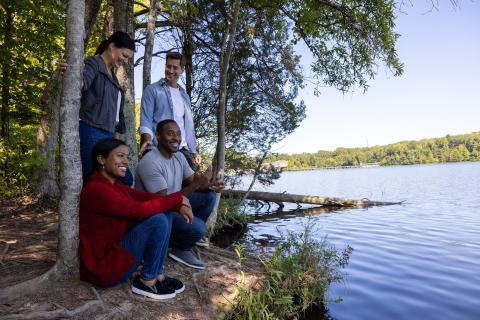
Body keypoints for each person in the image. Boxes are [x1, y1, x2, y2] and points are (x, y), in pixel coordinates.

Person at [80, 138, 193, 300]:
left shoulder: (112, 184)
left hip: (115, 253)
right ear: (101, 159)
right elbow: (138, 210)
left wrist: (176, 203)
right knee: (159, 219)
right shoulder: (97, 189)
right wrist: (177, 199)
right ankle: (146, 281)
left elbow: (142, 197)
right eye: (120, 156)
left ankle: (157, 274)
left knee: (165, 212)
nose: (125, 161)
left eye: (126, 157)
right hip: (104, 268)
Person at [136, 120, 223, 269]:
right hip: (155, 214)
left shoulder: (179, 157)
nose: (176, 138)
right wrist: (196, 184)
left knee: (209, 198)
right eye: (170, 133)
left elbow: (194, 182)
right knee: (199, 227)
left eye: (178, 134)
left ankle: (182, 247)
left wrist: (211, 186)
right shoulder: (150, 161)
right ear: (158, 136)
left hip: (173, 205)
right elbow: (163, 202)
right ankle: (161, 243)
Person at [58, 31, 135, 185]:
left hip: (109, 136)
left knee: (126, 178)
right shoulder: (93, 63)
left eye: (128, 58)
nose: (125, 61)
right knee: (95, 178)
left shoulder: (113, 77)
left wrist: (117, 140)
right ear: (112, 47)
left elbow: (117, 116)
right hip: (90, 130)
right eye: (124, 55)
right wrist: (69, 73)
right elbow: (81, 83)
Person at [139, 52, 200, 169]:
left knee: (194, 185)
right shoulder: (152, 90)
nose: (170, 70)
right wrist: (147, 139)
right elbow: (145, 120)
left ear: (182, 70)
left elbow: (188, 126)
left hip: (182, 150)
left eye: (175, 68)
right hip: (159, 149)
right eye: (168, 66)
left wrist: (194, 151)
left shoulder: (184, 96)